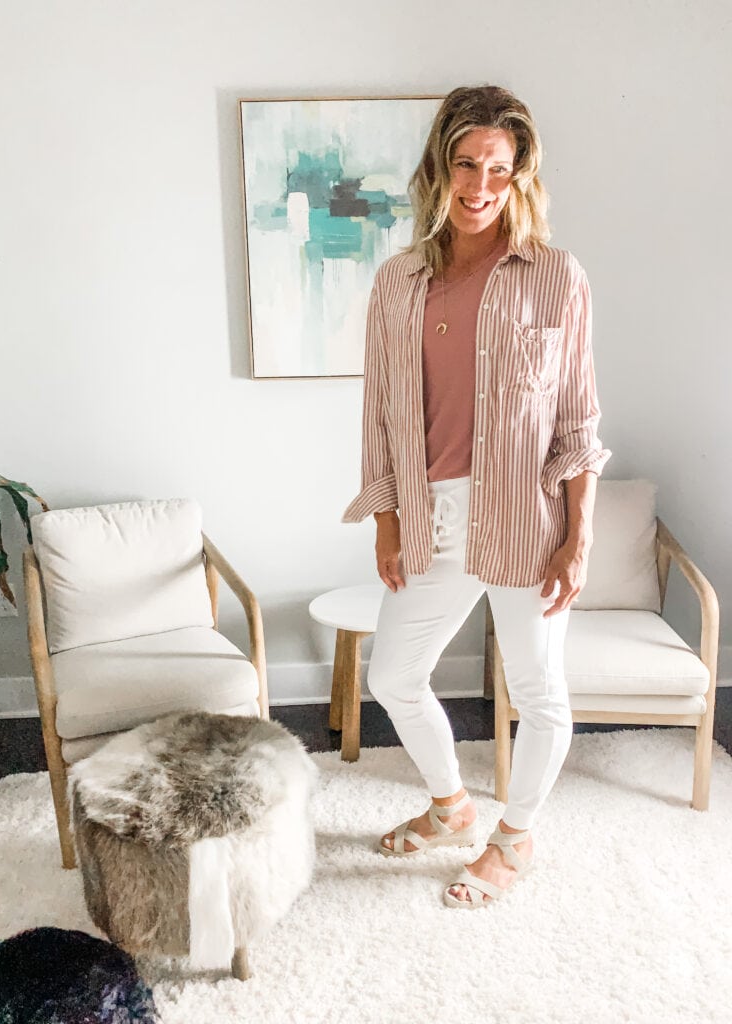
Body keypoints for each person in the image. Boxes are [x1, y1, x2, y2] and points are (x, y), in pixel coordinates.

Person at [342, 85, 611, 909]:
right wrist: (387, 524)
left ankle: (515, 834)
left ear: (520, 174)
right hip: (430, 517)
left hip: (526, 522)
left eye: (499, 167)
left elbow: (577, 420)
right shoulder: (397, 283)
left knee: (538, 690)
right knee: (393, 674)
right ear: (440, 166)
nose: (480, 185)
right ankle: (453, 805)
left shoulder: (555, 276)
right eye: (466, 163)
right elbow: (381, 417)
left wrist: (579, 537)